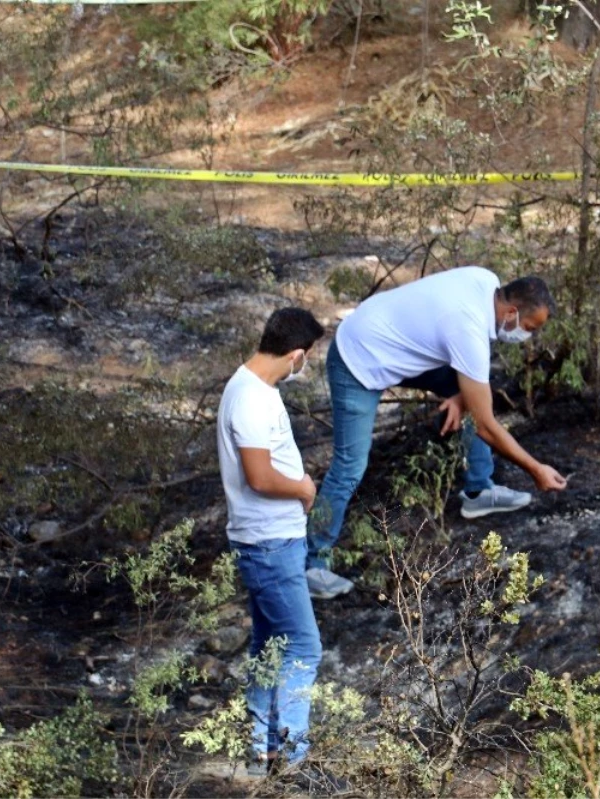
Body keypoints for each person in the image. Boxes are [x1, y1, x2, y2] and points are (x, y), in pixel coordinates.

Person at [305, 267, 569, 600]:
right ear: (512, 312)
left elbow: (460, 367)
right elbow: (486, 425)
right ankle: (311, 563)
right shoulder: (467, 326)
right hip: (358, 360)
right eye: (529, 328)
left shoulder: (487, 282)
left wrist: (461, 394)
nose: (527, 336)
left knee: (474, 397)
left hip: (395, 343)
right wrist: (535, 469)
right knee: (350, 466)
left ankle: (479, 491)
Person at [216, 307, 325, 773]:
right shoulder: (251, 400)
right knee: (303, 647)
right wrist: (303, 487)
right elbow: (259, 477)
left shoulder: (255, 387)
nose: (306, 365)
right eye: (308, 358)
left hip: (271, 542)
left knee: (269, 648)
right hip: (269, 546)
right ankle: (296, 761)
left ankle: (263, 754)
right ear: (296, 355)